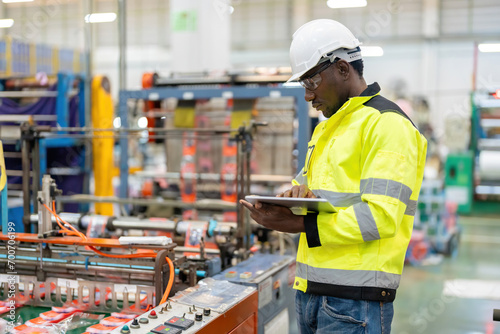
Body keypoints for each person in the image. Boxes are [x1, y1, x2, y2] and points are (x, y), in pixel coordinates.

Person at [240, 19, 427, 334]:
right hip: (312, 291)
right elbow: (312, 188)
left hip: (357, 302)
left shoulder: (387, 125)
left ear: (342, 69)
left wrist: (298, 224)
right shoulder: (329, 126)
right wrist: (292, 196)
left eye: (311, 82)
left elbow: (380, 218)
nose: (307, 96)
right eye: (303, 85)